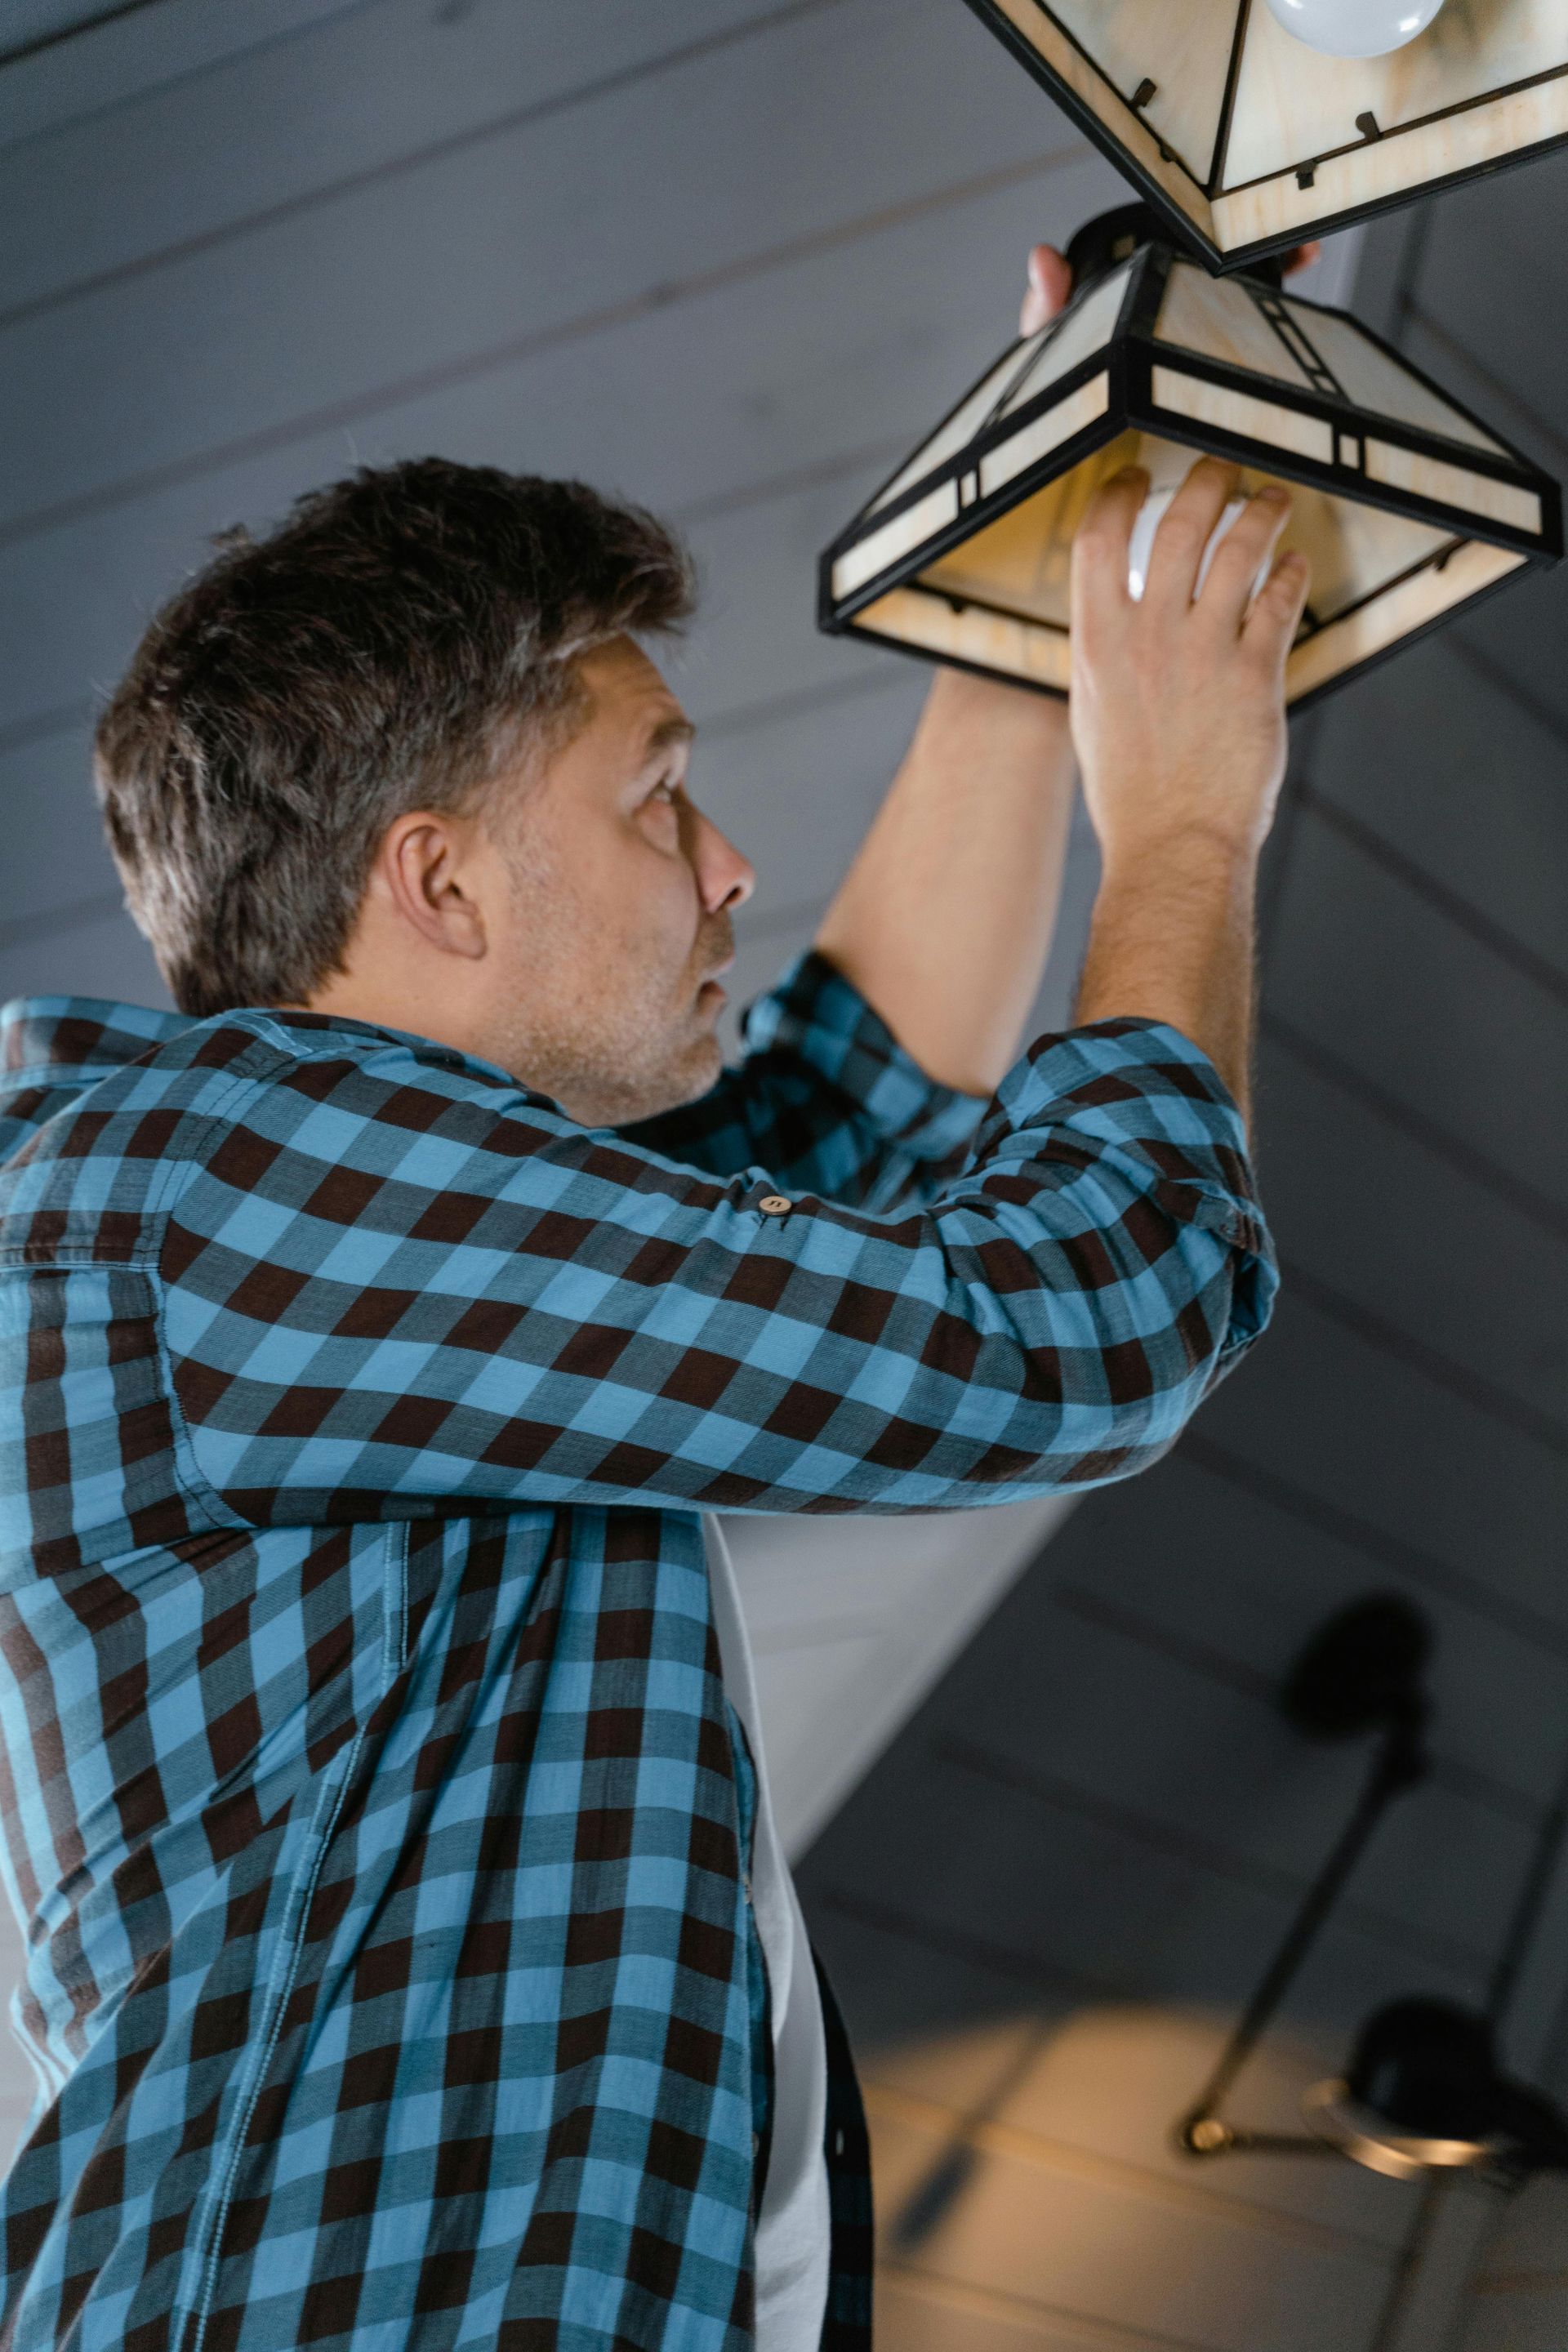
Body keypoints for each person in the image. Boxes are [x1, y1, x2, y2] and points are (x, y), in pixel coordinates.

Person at [0, 239, 1303, 2352]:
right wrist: (1182, 822)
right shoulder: (211, 1182)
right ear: (436, 882)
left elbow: (851, 1108)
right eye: (654, 792)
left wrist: (1031, 548)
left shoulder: (344, 1260)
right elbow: (1066, 1325)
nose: (722, 865)